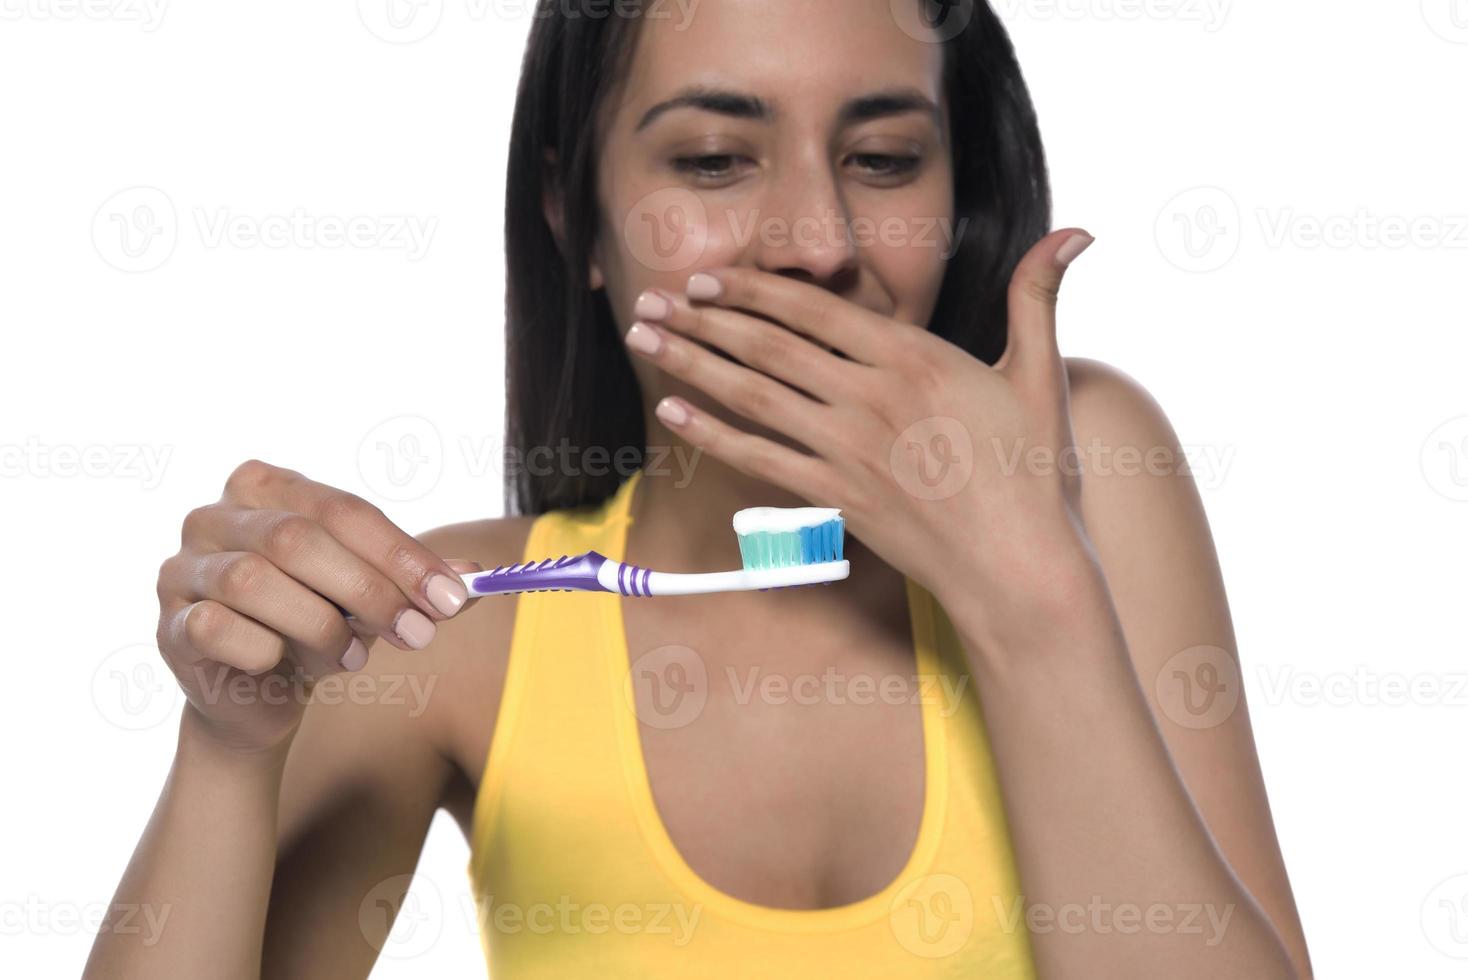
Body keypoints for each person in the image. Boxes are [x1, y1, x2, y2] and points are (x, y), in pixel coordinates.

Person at [87, 1, 1311, 976]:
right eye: (717, 159)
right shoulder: (451, 621)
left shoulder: (1087, 470)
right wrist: (225, 748)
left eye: (884, 159)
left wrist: (1027, 586)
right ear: (575, 214)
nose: (814, 239)